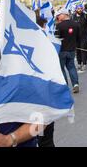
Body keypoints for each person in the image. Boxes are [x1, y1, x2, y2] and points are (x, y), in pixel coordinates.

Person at [35, 17, 56, 147]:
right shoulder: (44, 45)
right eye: (44, 26)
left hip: (40, 104)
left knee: (42, 139)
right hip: (40, 104)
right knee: (43, 140)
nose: (45, 28)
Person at [54, 9, 80, 94]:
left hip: (62, 50)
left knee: (62, 68)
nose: (58, 17)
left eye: (59, 15)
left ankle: (65, 85)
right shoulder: (76, 24)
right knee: (71, 67)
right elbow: (78, 37)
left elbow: (56, 38)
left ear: (64, 15)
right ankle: (75, 84)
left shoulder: (59, 26)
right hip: (72, 50)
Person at [72, 5, 87, 72]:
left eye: (81, 8)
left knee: (83, 50)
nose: (80, 10)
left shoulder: (85, 15)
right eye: (78, 8)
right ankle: (79, 63)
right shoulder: (73, 16)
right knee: (78, 51)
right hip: (76, 37)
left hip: (84, 36)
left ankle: (84, 64)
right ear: (76, 9)